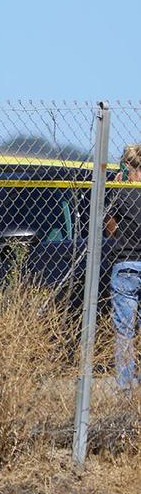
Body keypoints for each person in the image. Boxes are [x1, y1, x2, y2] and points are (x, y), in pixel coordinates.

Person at [105, 143, 141, 390]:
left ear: (129, 167)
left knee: (124, 332)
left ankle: (126, 386)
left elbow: (109, 227)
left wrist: (115, 190)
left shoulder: (123, 193)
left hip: (126, 264)